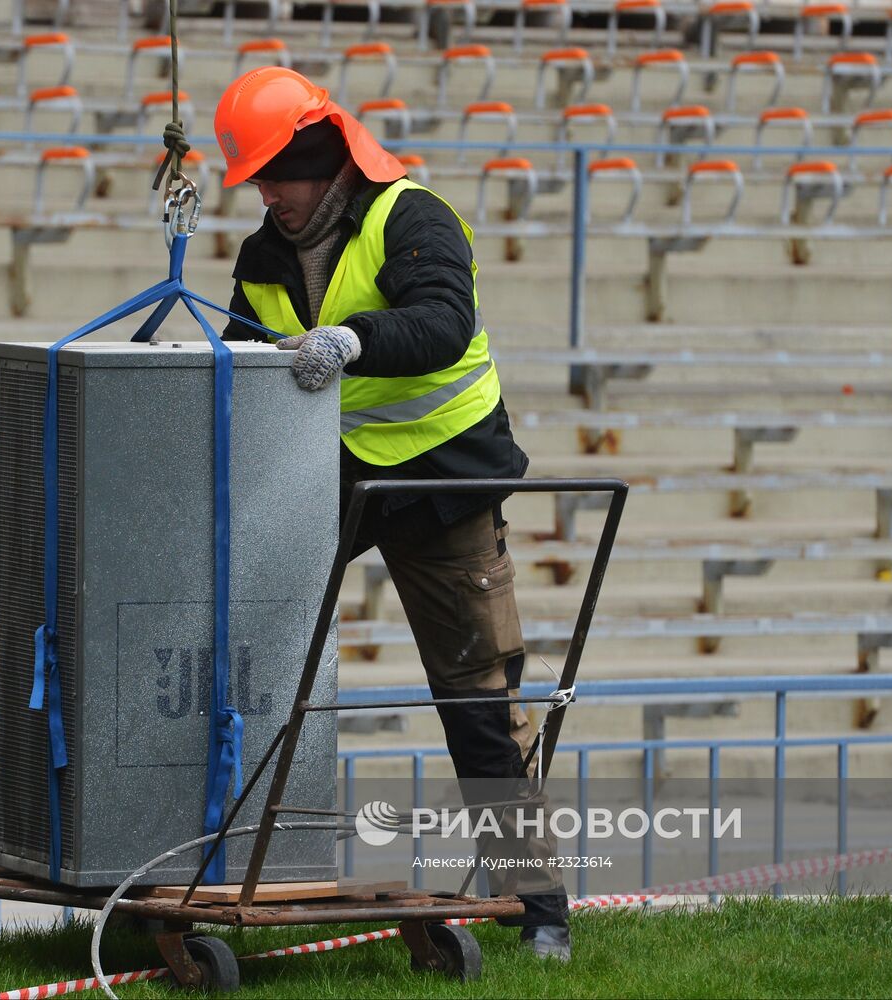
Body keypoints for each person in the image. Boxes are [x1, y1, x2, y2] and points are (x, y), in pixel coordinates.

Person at [213, 67, 572, 961]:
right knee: (247, 676)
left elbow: (443, 324)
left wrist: (351, 340)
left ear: (322, 157)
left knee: (478, 704)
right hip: (326, 482)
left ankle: (539, 915)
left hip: (442, 484)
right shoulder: (261, 257)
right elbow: (244, 367)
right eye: (256, 178)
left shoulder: (414, 217)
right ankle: (228, 877)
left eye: (276, 174)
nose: (267, 195)